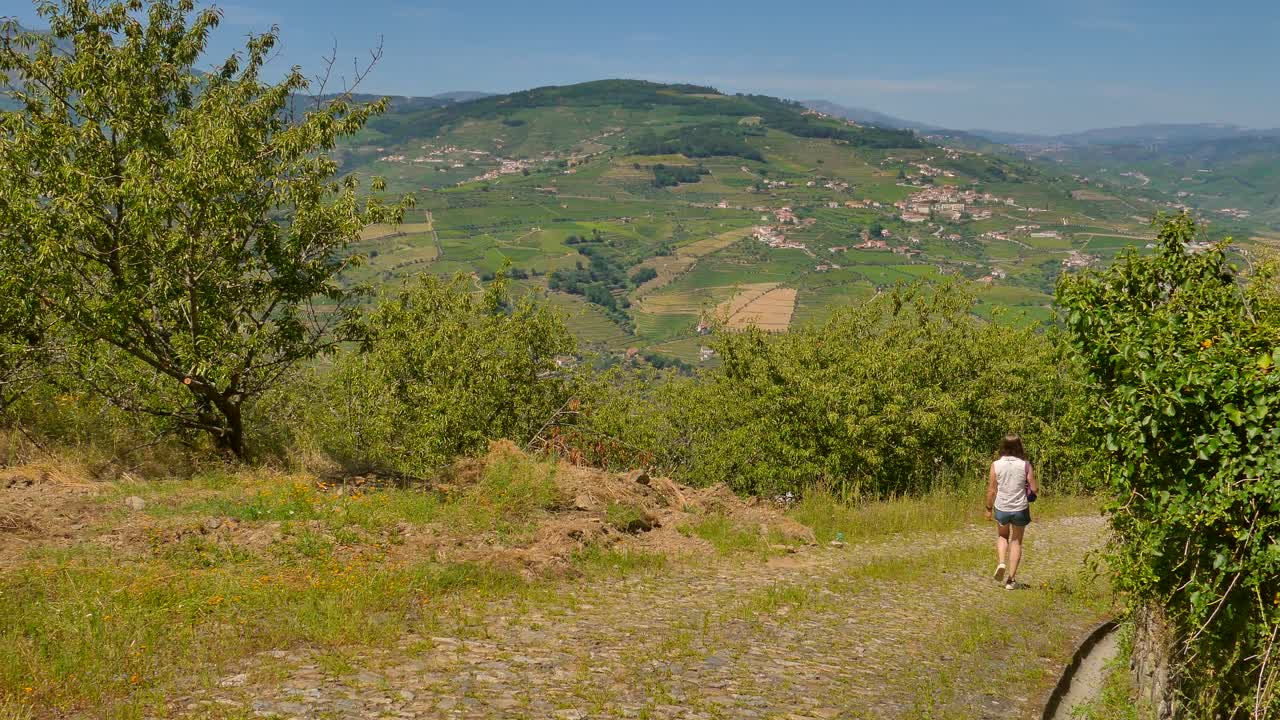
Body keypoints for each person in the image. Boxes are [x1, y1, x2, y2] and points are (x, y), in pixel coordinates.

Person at [984, 434, 1038, 590]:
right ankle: (1011, 580)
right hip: (1020, 508)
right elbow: (1035, 489)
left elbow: (992, 490)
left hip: (1002, 507)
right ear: (1019, 446)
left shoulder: (996, 465)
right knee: (1016, 541)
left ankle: (1001, 562)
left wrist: (988, 509)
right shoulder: (1025, 465)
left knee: (1002, 536)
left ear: (1003, 446)